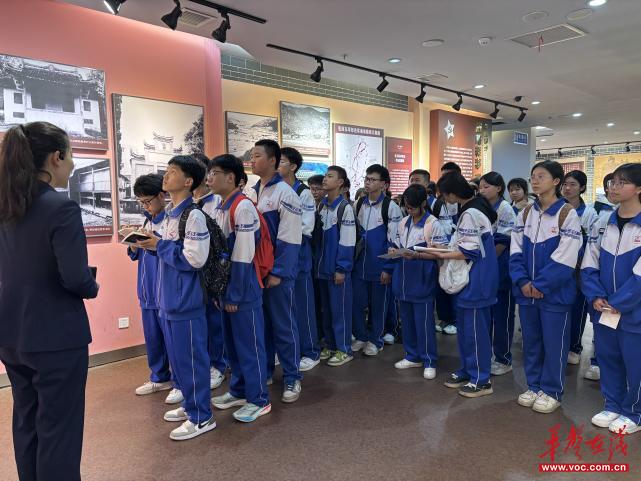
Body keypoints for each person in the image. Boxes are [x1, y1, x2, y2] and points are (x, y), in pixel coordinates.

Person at [0, 122, 99, 480]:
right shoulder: (61, 207)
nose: (72, 164)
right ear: (56, 157)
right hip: (56, 336)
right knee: (59, 430)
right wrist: (92, 285)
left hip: (11, 333)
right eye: (70, 155)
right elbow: (75, 278)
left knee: (27, 421)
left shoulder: (6, 204)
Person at [137, 155, 215, 440]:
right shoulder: (170, 214)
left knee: (192, 361)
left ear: (188, 181)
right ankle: (191, 404)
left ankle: (202, 417)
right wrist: (148, 243)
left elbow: (195, 259)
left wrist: (159, 246)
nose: (166, 176)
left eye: (172, 172)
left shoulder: (193, 216)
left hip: (185, 302)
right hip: (168, 301)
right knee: (180, 362)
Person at [509, 160, 582, 414]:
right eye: (533, 176)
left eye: (541, 176)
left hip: (554, 293)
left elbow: (566, 257)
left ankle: (552, 390)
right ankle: (534, 385)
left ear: (556, 181)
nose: (535, 180)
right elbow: (515, 250)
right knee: (531, 342)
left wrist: (540, 284)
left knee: (554, 344)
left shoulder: (567, 213)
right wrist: (522, 281)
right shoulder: (525, 213)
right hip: (526, 292)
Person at [207, 155, 272, 423]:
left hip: (243, 289)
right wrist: (218, 291)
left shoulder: (243, 207)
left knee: (250, 346)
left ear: (231, 177)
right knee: (233, 346)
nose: (209, 178)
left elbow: (244, 255)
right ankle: (239, 391)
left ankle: (259, 399)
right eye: (209, 173)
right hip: (227, 288)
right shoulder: (220, 206)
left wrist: (234, 293)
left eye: (215, 173)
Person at [581, 163, 641, 435]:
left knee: (635, 362)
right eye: (612, 182)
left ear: (638, 188)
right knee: (608, 357)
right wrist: (596, 295)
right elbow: (589, 262)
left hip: (633, 310)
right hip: (604, 308)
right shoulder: (603, 221)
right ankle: (613, 404)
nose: (613, 187)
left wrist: (619, 301)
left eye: (622, 182)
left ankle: (634, 412)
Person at [432, 171, 498, 398]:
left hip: (477, 278)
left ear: (452, 193)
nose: (444, 199)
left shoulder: (471, 212)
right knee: (466, 329)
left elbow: (469, 252)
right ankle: (468, 370)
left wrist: (440, 253)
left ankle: (481, 378)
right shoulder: (472, 207)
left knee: (475, 331)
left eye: (444, 195)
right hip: (472, 277)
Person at [250, 139, 303, 403]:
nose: (252, 160)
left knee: (284, 324)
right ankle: (267, 371)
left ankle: (292, 376)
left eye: (257, 156)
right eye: (251, 156)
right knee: (263, 326)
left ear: (272, 160)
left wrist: (278, 272)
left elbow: (290, 238)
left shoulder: (285, 194)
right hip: (256, 273)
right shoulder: (251, 191)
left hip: (278, 274)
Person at [128, 173, 183, 404]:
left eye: (147, 201)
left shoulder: (171, 220)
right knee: (152, 338)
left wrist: (156, 241)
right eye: (141, 202)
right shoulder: (146, 221)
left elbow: (176, 254)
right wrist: (133, 244)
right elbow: (137, 255)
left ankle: (180, 383)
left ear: (162, 195)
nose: (145, 206)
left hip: (164, 291)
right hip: (146, 290)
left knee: (173, 342)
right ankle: (159, 377)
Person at [390, 184, 448, 380]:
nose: (409, 210)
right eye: (406, 206)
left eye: (413, 207)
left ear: (423, 203)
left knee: (424, 322)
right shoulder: (403, 222)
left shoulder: (432, 223)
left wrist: (417, 255)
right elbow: (396, 244)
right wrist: (393, 251)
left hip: (422, 277)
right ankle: (412, 355)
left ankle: (429, 360)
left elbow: (441, 253)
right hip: (403, 276)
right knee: (406, 321)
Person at [351, 164, 402, 357]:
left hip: (379, 265)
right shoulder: (358, 204)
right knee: (357, 303)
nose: (368, 182)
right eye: (366, 179)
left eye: (372, 179)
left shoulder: (391, 207)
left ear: (384, 184)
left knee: (379, 305)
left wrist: (388, 268)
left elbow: (395, 241)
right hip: (359, 265)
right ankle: (361, 336)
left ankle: (375, 340)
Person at [278, 147, 320, 371]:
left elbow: (305, 227)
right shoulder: (274, 189)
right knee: (284, 309)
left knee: (303, 307)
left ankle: (311, 351)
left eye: (281, 162)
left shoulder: (303, 193)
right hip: (279, 258)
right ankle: (288, 350)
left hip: (298, 258)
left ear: (293, 167)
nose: (277, 165)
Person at [192, 154, 227, 390]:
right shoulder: (185, 204)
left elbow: (221, 242)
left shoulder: (217, 203)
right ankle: (203, 364)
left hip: (212, 272)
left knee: (215, 322)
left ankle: (219, 365)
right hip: (193, 273)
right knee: (199, 323)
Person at [316, 166, 357, 366]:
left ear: (340, 183)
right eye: (325, 175)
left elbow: (347, 241)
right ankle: (331, 345)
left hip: (337, 271)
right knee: (327, 310)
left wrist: (342, 268)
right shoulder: (322, 206)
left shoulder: (345, 208)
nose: (325, 179)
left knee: (340, 311)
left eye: (330, 176)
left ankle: (344, 349)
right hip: (322, 270)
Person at [479, 172, 517, 376]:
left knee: (503, 317)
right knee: (487, 315)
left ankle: (504, 358)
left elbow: (503, 241)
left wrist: (487, 263)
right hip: (485, 268)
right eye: (480, 187)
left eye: (486, 187)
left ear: (498, 188)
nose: (482, 190)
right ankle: (487, 355)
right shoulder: (481, 207)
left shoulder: (505, 208)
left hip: (501, 270)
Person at [562, 170, 598, 366]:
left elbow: (592, 243)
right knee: (560, 308)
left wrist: (579, 260)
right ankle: (559, 345)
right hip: (560, 267)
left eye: (573, 184)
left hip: (579, 269)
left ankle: (574, 347)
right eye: (565, 184)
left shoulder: (590, 213)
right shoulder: (558, 208)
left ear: (582, 187)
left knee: (578, 309)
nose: (567, 188)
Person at [433, 162, 461, 335]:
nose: (445, 179)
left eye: (449, 175)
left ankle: (457, 320)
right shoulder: (439, 201)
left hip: (460, 251)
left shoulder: (465, 200)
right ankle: (445, 318)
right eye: (443, 176)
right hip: (442, 249)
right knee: (442, 283)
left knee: (457, 283)